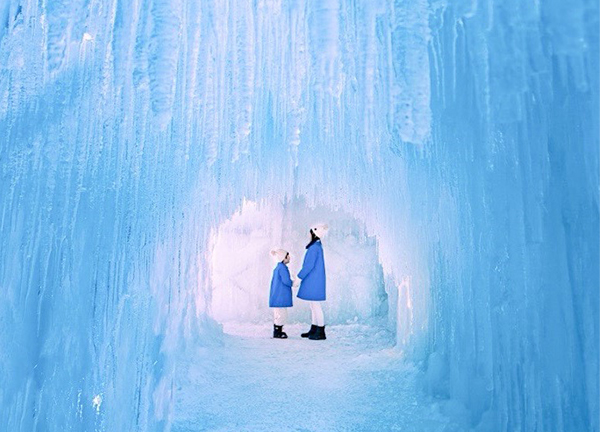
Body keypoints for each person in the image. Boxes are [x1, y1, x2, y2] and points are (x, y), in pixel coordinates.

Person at [296, 224, 328, 340]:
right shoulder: (317, 246)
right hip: (314, 279)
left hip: (313, 279)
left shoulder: (314, 247)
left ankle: (320, 331)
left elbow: (308, 265)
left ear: (314, 233)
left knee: (315, 305)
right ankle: (314, 329)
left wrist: (299, 278)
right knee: (313, 305)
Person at [269, 249, 294, 339]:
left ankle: (277, 330)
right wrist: (293, 283)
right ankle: (278, 332)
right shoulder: (282, 268)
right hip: (281, 296)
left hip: (277, 296)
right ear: (283, 258)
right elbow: (286, 281)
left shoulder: (278, 267)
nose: (289, 258)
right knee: (282, 314)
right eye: (287, 256)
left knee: (278, 313)